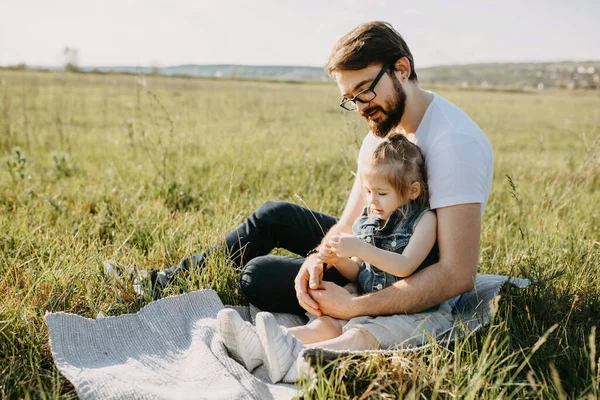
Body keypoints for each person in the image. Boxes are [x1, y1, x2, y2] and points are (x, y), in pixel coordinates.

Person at [106, 21, 492, 337]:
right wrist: (317, 260)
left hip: (408, 273)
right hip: (368, 250)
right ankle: (160, 283)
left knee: (257, 275)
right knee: (274, 215)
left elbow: (456, 274)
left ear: (402, 70)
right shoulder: (382, 131)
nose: (360, 107)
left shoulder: (452, 142)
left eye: (365, 91)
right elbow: (347, 222)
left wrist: (355, 305)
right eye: (350, 99)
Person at [216, 134, 455, 383]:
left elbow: (405, 266)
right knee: (327, 324)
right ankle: (261, 343)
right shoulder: (370, 219)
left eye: (382, 193)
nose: (372, 200)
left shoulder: (425, 221)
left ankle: (308, 358)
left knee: (361, 334)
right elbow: (359, 272)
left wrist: (361, 248)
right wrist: (339, 259)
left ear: (412, 191)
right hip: (369, 298)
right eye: (368, 191)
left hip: (413, 313)